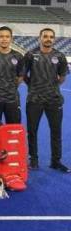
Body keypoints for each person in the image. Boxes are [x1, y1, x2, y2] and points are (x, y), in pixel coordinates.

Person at [21, 28, 69, 172]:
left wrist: (50, 86)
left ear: (54, 39)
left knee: (56, 131)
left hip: (54, 99)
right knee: (32, 131)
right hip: (34, 99)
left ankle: (56, 161)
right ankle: (33, 160)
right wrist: (34, 85)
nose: (48, 39)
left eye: (51, 37)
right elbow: (24, 75)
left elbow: (62, 77)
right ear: (39, 38)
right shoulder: (30, 55)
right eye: (45, 36)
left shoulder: (59, 56)